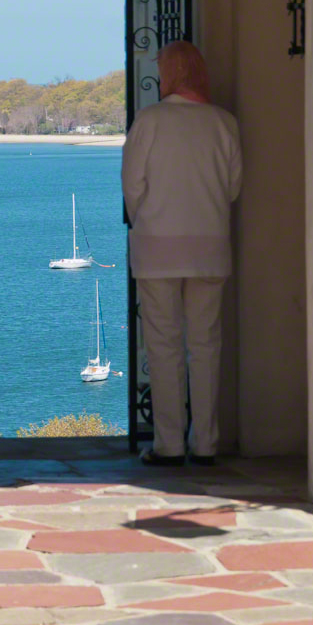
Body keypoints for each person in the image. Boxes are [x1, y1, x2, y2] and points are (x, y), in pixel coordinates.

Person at [121, 40, 242, 466]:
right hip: (210, 249)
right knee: (206, 345)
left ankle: (169, 443)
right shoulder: (224, 123)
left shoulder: (150, 121)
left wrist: (150, 221)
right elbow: (232, 188)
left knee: (164, 345)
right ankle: (205, 442)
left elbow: (132, 187)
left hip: (158, 251)